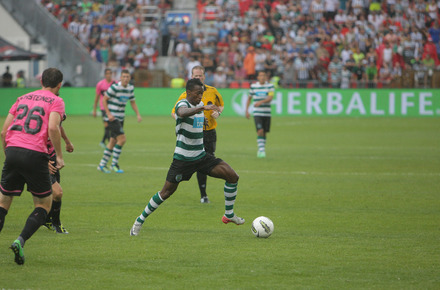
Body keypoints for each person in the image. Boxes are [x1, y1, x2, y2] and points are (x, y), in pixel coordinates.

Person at [130, 78, 244, 236]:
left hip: (201, 156)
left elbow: (196, 120)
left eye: (202, 94)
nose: (200, 96)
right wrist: (203, 108)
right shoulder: (182, 104)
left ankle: (229, 215)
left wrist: (203, 117)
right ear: (188, 92)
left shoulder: (198, 106)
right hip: (183, 160)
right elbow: (182, 113)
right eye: (198, 93)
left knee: (232, 176)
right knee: (166, 193)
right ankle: (139, 221)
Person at [0, 68, 65, 265]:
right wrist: (59, 156)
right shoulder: (56, 100)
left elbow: (3, 132)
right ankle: (20, 240)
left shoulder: (22, 97)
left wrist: (9, 154)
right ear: (59, 84)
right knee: (44, 204)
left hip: (12, 150)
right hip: (35, 154)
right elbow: (53, 127)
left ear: (41, 81)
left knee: (3, 203)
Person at [171, 65, 224, 204]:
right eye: (195, 76)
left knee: (207, 163)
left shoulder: (213, 91)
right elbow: (174, 112)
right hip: (194, 135)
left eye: (200, 76)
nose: (198, 78)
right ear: (191, 76)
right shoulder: (185, 95)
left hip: (210, 133)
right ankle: (203, 194)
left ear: (204, 76)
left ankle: (203, 192)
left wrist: (217, 112)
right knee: (199, 162)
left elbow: (220, 105)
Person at [97, 69, 142, 174]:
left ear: (130, 78)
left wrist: (138, 114)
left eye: (127, 77)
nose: (126, 79)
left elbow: (133, 102)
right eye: (124, 77)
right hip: (113, 118)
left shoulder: (130, 88)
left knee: (113, 141)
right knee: (122, 139)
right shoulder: (114, 87)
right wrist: (108, 113)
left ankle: (102, 165)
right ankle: (114, 164)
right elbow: (104, 100)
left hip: (121, 118)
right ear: (120, 78)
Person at [43, 124, 73, 234]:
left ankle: (47, 220)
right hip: (37, 157)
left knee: (53, 193)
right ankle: (56, 224)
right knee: (57, 193)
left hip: (51, 156)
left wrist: (67, 141)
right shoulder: (40, 111)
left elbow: (57, 126)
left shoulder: (56, 111)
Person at [245, 70, 274, 158]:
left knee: (264, 132)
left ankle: (262, 148)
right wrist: (246, 110)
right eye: (260, 75)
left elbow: (270, 98)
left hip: (267, 113)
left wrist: (261, 102)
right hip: (257, 113)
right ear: (258, 77)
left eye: (264, 75)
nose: (262, 77)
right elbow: (249, 98)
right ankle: (261, 150)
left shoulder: (270, 86)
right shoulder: (253, 86)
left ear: (266, 77)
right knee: (260, 130)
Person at [93, 68, 115, 148]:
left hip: (113, 107)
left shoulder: (114, 84)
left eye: (110, 73)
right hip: (103, 108)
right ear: (105, 75)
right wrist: (94, 110)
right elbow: (97, 98)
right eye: (107, 73)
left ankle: (104, 141)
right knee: (107, 125)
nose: (109, 75)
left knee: (111, 126)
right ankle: (107, 142)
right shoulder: (100, 84)